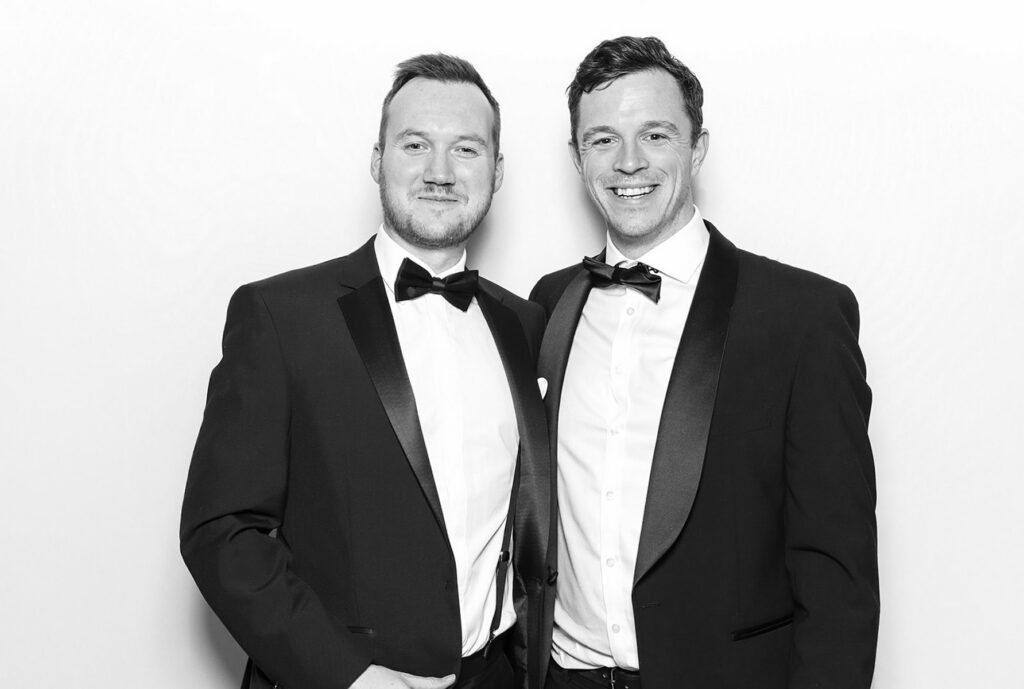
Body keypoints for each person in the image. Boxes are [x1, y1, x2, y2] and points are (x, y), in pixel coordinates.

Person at [180, 53, 550, 689]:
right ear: (377, 160)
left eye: (466, 148)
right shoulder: (279, 317)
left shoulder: (525, 325)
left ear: (497, 170)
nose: (440, 172)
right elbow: (222, 531)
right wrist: (347, 677)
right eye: (415, 145)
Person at [529, 36, 879, 689]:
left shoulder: (800, 319)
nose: (629, 161)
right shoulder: (549, 304)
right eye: (602, 139)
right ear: (576, 158)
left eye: (655, 135)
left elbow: (838, 576)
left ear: (697, 146)